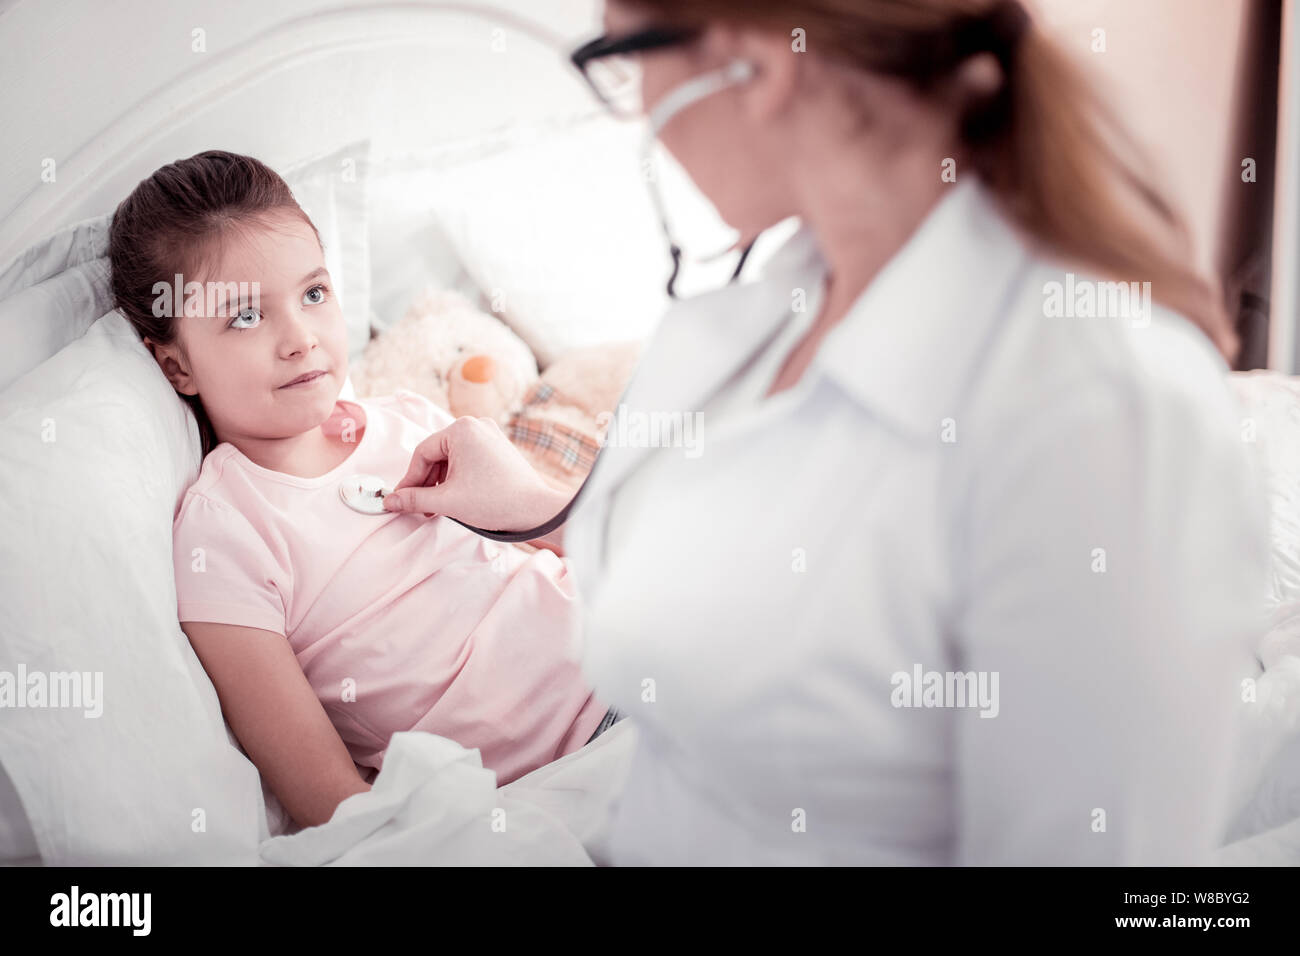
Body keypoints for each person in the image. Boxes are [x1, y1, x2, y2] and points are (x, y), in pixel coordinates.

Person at [381, 0, 1268, 864]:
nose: (642, 106)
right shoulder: (754, 318)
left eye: (628, 57)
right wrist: (542, 507)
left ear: (758, 67)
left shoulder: (1096, 412)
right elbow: (770, 567)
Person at [109, 151, 622, 831]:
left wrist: (531, 502)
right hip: (570, 775)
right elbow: (328, 798)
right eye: (244, 318)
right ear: (176, 365)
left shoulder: (410, 420)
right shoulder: (222, 533)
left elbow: (588, 549)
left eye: (314, 294)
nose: (300, 339)